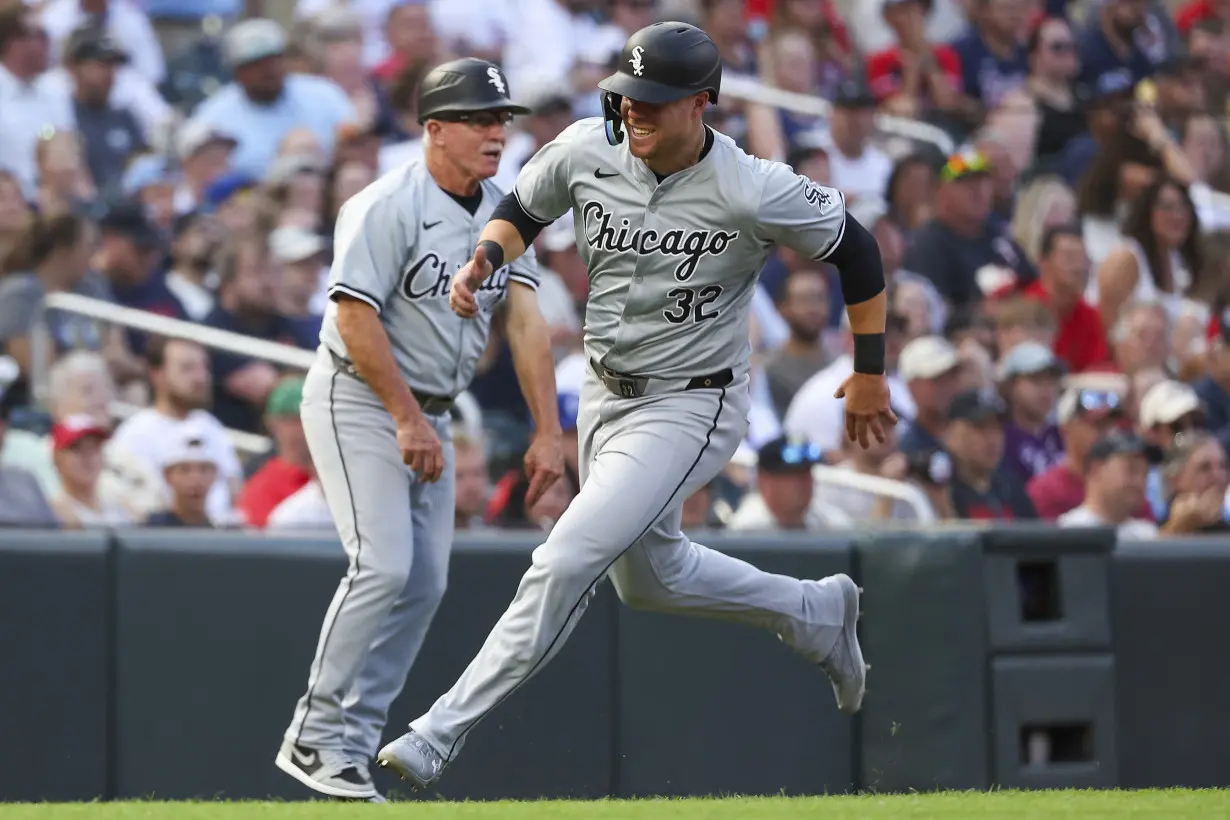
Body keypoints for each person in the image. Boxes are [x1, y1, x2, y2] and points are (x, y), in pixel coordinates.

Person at [376, 22, 895, 789]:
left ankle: (439, 731)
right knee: (648, 579)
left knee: (566, 557)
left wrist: (872, 372)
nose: (636, 114)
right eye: (629, 98)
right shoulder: (590, 147)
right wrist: (486, 255)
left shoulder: (755, 185)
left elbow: (856, 249)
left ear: (701, 105)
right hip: (605, 395)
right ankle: (813, 611)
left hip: (694, 405)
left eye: (655, 102)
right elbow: (522, 209)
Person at [275, 58, 563, 803]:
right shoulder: (386, 202)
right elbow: (352, 314)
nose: (495, 130)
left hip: (431, 410)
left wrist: (547, 431)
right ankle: (314, 734)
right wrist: (407, 418)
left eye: (500, 118)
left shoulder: (506, 209)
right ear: (433, 129)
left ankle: (348, 746)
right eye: (477, 118)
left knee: (426, 581)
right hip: (358, 398)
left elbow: (527, 321)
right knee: (382, 565)